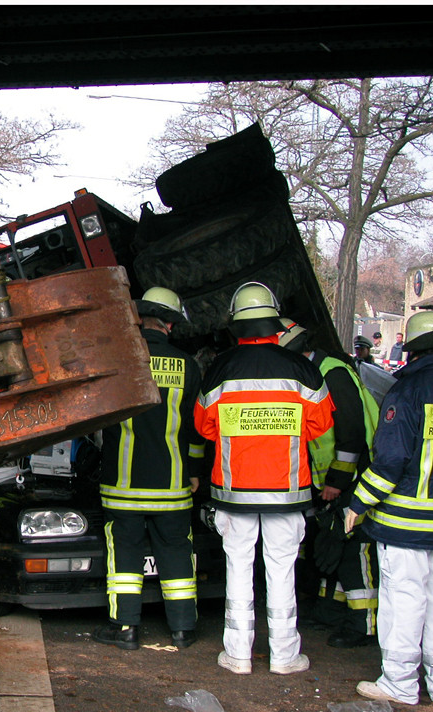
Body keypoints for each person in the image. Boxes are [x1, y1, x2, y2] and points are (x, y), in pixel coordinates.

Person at [195, 282, 334, 676]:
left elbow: (205, 427)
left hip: (234, 493)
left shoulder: (220, 369)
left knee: (238, 569)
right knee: (282, 570)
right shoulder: (301, 368)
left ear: (236, 326)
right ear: (277, 323)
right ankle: (285, 656)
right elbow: (321, 423)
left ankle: (237, 654)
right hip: (286, 493)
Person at [93, 287, 204, 650]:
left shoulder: (119, 360)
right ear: (170, 325)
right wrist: (194, 470)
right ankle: (184, 629)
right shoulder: (189, 365)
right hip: (172, 485)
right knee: (176, 552)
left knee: (124, 553)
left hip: (123, 484)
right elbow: (196, 427)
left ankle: (125, 628)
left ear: (140, 320)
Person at [347, 310, 433, 706]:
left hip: (405, 525)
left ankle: (401, 683)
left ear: (413, 350)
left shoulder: (407, 391)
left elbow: (389, 461)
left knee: (405, 602)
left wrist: (358, 502)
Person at [278, 319, 379, 649]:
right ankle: (330, 611)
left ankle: (363, 625)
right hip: (330, 479)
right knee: (329, 543)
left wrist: (337, 481)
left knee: (352, 548)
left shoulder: (332, 372)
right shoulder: (312, 371)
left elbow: (352, 431)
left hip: (353, 475)